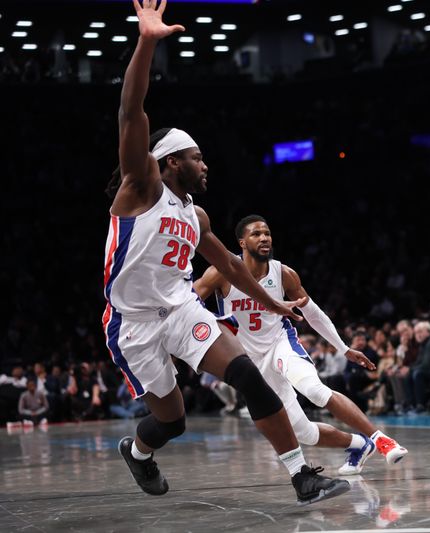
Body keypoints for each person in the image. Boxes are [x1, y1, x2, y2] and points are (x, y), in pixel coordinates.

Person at [103, 0, 348, 505]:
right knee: (171, 421)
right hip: (132, 321)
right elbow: (131, 110)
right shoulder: (142, 186)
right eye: (198, 157)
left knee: (247, 375)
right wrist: (147, 42)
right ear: (170, 161)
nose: (206, 165)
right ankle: (139, 451)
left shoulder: (197, 216)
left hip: (180, 309)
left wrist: (274, 303)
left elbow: (231, 267)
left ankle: (302, 478)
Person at [193, 214, 408, 475]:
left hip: (280, 344)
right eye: (256, 234)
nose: (264, 238)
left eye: (267, 233)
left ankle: (381, 440)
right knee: (303, 432)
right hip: (250, 360)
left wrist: (343, 348)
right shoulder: (221, 273)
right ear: (241, 242)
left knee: (314, 390)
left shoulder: (283, 273)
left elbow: (314, 313)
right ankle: (359, 445)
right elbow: (188, 302)